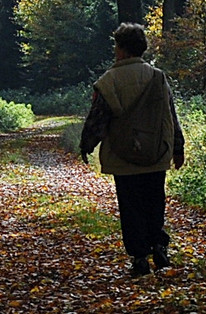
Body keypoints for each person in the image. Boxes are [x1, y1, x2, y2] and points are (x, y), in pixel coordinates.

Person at [79, 22, 185, 277]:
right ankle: (158, 245)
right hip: (156, 153)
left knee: (131, 206)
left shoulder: (108, 81)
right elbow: (169, 115)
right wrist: (177, 147)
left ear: (122, 49)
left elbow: (98, 119)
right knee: (154, 201)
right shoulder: (158, 77)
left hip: (123, 155)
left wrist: (86, 145)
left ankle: (139, 257)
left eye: (116, 45)